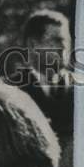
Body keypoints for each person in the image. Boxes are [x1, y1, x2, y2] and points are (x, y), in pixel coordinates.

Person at [15, 8, 75, 137]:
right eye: (56, 40)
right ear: (33, 44)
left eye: (67, 41)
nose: (64, 48)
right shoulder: (11, 91)